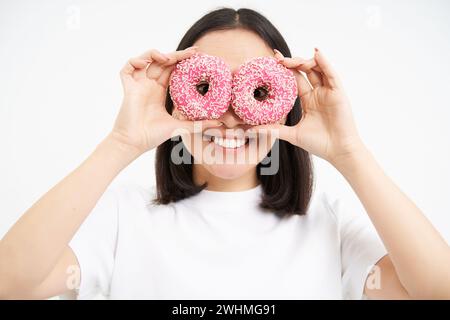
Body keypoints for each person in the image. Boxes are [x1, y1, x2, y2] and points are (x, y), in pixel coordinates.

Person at [0, 8, 449, 300]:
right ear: (176, 96)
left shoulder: (328, 222)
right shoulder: (123, 216)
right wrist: (122, 143)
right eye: (210, 90)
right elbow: (11, 284)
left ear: (285, 103)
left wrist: (349, 151)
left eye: (252, 90)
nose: (232, 119)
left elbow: (436, 290)